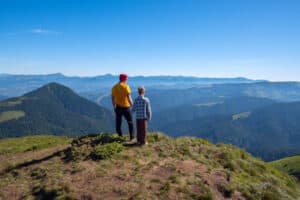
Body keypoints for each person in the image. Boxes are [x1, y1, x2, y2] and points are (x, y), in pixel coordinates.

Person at [111, 74, 134, 140]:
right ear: (124, 79)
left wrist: (114, 106)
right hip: (126, 107)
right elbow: (129, 98)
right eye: (126, 78)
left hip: (118, 107)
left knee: (118, 122)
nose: (127, 79)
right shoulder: (126, 87)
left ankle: (120, 136)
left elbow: (112, 98)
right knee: (130, 122)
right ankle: (132, 137)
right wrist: (133, 105)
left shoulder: (114, 87)